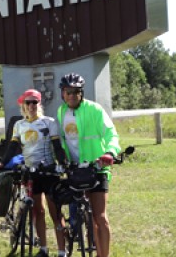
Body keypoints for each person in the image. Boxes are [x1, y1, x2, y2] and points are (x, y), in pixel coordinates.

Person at [0, 89, 68, 257]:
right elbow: (12, 147)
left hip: (48, 172)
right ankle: (43, 249)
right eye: (28, 102)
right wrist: (2, 162)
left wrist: (63, 163)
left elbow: (57, 147)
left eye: (35, 102)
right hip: (31, 173)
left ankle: (62, 251)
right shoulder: (19, 125)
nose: (31, 105)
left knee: (55, 213)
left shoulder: (49, 122)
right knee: (38, 212)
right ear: (23, 105)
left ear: (39, 104)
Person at [56, 73, 121, 257]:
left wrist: (109, 152)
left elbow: (111, 134)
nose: (72, 95)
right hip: (75, 169)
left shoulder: (95, 109)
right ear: (62, 93)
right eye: (68, 91)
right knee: (78, 214)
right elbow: (61, 141)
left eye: (76, 92)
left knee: (99, 217)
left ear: (81, 93)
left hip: (97, 168)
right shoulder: (61, 113)